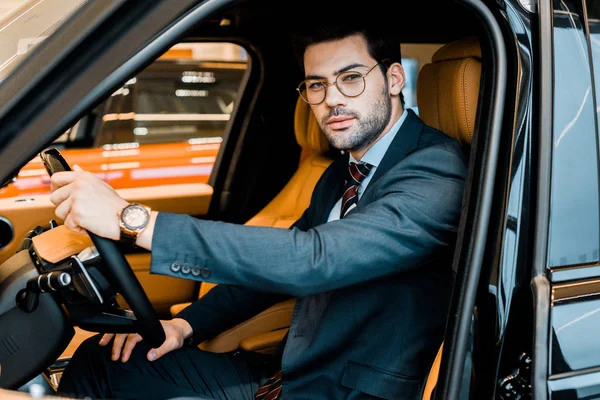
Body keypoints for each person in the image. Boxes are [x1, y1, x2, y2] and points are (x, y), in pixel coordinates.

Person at [46, 20, 467, 400]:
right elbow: (272, 270)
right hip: (292, 372)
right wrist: (185, 326)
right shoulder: (344, 171)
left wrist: (132, 220)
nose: (331, 100)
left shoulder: (436, 170)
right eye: (316, 85)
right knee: (103, 362)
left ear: (394, 79)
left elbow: (312, 259)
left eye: (351, 78)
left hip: (350, 389)